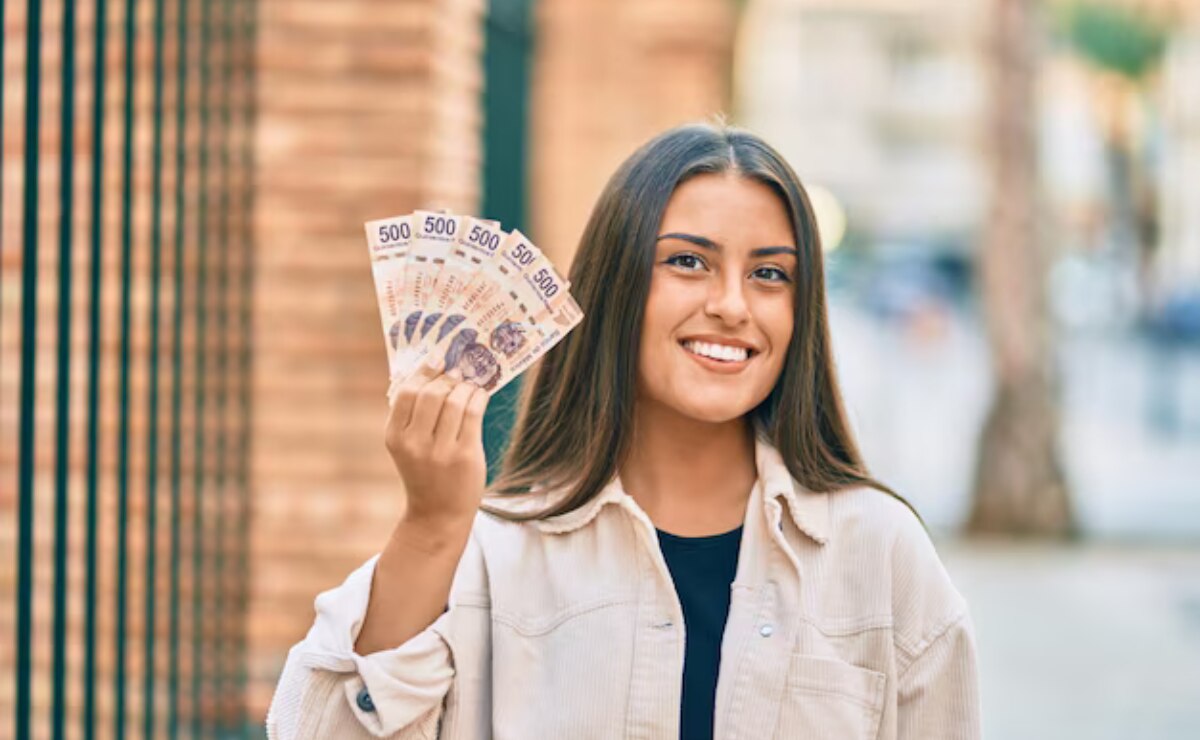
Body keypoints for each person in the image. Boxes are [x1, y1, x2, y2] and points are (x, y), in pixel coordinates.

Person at [266, 123, 981, 739]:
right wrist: (429, 524)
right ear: (616, 287)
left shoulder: (881, 555)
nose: (732, 304)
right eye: (687, 262)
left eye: (770, 274)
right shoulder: (489, 555)